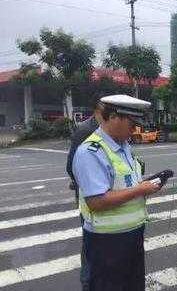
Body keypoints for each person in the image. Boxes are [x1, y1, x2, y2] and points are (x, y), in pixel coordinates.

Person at [72, 94, 161, 291]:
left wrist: (145, 186)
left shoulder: (124, 147)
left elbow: (124, 184)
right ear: (113, 117)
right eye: (132, 122)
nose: (135, 128)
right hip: (107, 242)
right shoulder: (91, 152)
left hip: (132, 236)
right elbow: (96, 201)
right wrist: (139, 189)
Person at [66, 96, 105, 291]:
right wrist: (93, 186)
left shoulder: (106, 129)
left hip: (106, 199)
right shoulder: (85, 131)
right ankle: (88, 283)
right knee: (91, 241)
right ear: (98, 110)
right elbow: (71, 167)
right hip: (91, 198)